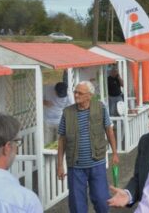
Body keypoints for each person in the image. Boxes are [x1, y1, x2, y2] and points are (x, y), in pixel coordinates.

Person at [57, 81, 119, 213]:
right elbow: (62, 139)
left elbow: (109, 130)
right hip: (75, 166)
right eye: (75, 92)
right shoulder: (67, 113)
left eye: (80, 93)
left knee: (102, 200)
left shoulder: (100, 108)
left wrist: (114, 153)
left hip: (97, 163)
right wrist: (60, 165)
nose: (76, 95)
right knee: (77, 204)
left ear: (89, 95)